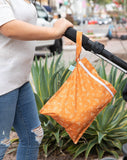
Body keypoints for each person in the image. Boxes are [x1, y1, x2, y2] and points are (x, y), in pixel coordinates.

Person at [0, 0, 73, 159]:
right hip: (3, 84)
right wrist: (54, 32)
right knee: (2, 143)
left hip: (20, 81)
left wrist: (56, 25)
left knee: (33, 136)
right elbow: (8, 27)